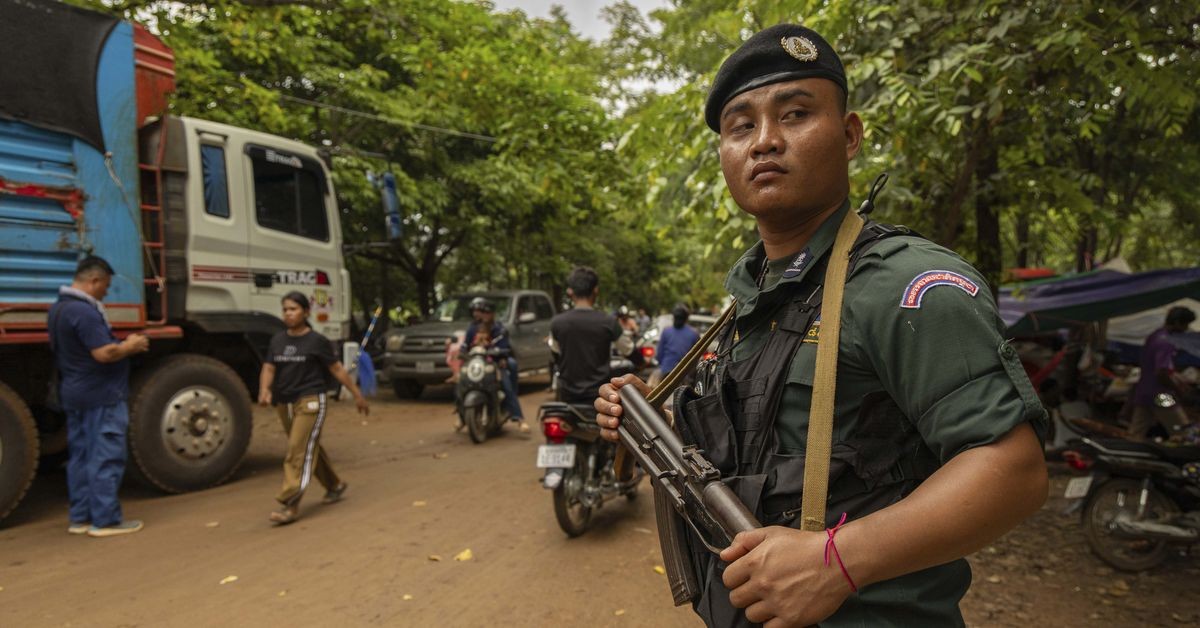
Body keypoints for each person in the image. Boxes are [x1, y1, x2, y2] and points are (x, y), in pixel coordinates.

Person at [594, 24, 1048, 627]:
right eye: (741, 127)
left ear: (850, 133)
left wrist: (838, 562)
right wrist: (651, 420)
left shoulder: (903, 285)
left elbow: (1013, 471)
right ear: (725, 154)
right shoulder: (749, 301)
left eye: (796, 113)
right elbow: (766, 443)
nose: (765, 142)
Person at [48, 256, 150, 537]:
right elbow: (104, 353)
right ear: (93, 281)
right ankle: (105, 520)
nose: (106, 291)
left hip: (75, 392)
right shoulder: (84, 312)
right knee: (105, 455)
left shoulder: (59, 309)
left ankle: (80, 517)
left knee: (80, 456)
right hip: (100, 395)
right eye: (105, 285)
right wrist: (131, 345)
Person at [258, 291, 368, 525]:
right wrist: (264, 390)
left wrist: (357, 394)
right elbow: (269, 367)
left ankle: (290, 504)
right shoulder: (277, 340)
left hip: (310, 400)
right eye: (285, 309)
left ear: (306, 312)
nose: (288, 313)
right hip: (284, 402)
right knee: (308, 446)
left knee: (297, 451)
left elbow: (337, 369)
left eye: (294, 309)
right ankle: (334, 484)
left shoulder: (317, 341)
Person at [550, 267, 633, 404]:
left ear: (570, 292)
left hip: (568, 396)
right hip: (600, 396)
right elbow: (628, 350)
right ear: (596, 290)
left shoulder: (557, 323)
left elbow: (556, 354)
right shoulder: (609, 322)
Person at [460, 297, 529, 432]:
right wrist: (462, 352)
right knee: (461, 384)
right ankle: (460, 416)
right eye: (481, 312)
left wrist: (500, 354)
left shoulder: (499, 329)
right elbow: (465, 346)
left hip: (494, 364)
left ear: (492, 314)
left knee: (506, 385)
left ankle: (519, 418)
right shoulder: (472, 329)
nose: (482, 315)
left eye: (486, 313)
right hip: (476, 365)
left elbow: (504, 347)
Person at [1128, 306, 1196, 440]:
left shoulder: (1155, 335)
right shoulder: (1167, 343)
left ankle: (1125, 457)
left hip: (1144, 391)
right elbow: (1161, 373)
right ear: (1177, 323)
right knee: (1184, 431)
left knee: (1136, 433)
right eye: (1185, 325)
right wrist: (1179, 391)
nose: (1186, 329)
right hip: (1161, 395)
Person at [648, 304, 701, 388]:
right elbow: (697, 356)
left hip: (668, 371)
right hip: (685, 374)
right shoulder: (694, 333)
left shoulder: (666, 331)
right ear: (686, 318)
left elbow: (659, 355)